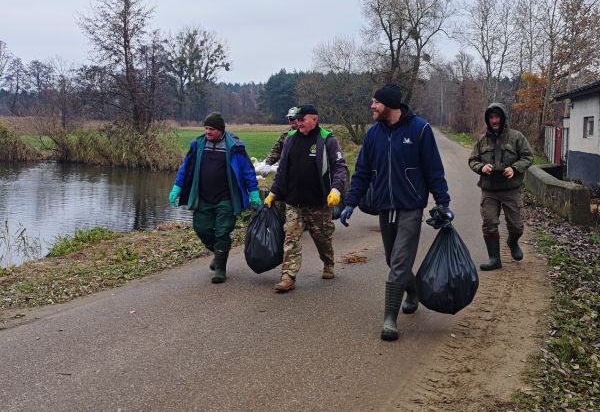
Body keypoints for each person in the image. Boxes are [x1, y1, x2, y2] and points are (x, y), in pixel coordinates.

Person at [339, 84, 453, 342]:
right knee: (393, 260)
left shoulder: (419, 130)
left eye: (375, 102)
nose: (372, 107)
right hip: (385, 206)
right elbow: (362, 172)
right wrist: (350, 202)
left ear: (389, 104)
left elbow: (434, 170)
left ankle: (389, 318)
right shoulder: (372, 135)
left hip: (411, 206)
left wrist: (443, 202)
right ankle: (412, 292)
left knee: (400, 261)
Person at [168, 112, 262, 284]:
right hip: (203, 197)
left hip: (226, 197)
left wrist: (254, 193)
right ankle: (219, 254)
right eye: (206, 128)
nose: (207, 132)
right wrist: (177, 187)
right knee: (201, 228)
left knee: (222, 231)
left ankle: (220, 268)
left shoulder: (234, 146)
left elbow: (247, 171)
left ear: (220, 130)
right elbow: (186, 167)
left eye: (211, 129)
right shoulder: (198, 145)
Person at [263, 104, 348, 292]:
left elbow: (340, 167)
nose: (298, 123)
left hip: (318, 201)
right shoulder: (290, 139)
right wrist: (273, 192)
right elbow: (283, 169)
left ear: (314, 119)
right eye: (296, 120)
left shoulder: (327, 139)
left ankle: (328, 262)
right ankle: (288, 276)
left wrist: (336, 189)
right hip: (293, 200)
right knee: (291, 237)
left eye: (302, 119)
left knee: (322, 237)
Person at [468, 103, 533, 271]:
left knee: (516, 226)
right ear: (488, 119)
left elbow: (528, 156)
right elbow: (473, 160)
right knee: (489, 223)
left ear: (503, 118)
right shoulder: (482, 140)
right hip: (489, 190)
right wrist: (481, 167)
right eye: (491, 117)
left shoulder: (516, 137)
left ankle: (513, 242)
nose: (494, 120)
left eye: (497, 117)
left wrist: (515, 168)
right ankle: (494, 259)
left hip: (511, 189)